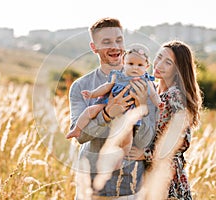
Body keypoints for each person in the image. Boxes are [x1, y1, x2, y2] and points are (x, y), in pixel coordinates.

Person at [68, 17, 157, 199]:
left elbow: (146, 140)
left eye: (119, 40)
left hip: (130, 185)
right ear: (94, 47)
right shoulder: (81, 86)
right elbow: (81, 136)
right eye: (106, 42)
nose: (115, 46)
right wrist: (107, 114)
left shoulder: (144, 85)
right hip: (92, 186)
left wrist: (140, 106)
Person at [127, 40, 203, 199]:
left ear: (177, 70)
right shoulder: (151, 88)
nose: (159, 64)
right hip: (145, 174)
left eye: (167, 62)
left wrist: (146, 154)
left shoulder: (175, 96)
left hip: (167, 178)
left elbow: (182, 140)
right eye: (159, 57)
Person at [66, 44, 160, 156]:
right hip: (107, 103)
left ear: (146, 66)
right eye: (131, 64)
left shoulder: (146, 81)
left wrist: (158, 104)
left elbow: (154, 95)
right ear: (124, 62)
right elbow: (106, 87)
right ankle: (76, 129)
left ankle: (120, 158)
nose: (135, 67)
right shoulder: (118, 76)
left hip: (130, 111)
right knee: (90, 110)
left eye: (140, 65)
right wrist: (92, 94)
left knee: (127, 134)